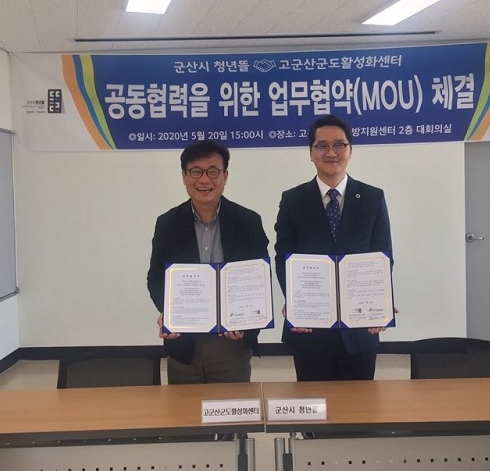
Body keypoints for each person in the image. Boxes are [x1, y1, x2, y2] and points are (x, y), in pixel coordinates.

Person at [274, 115, 394, 381]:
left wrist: (382, 302)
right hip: (309, 327)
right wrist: (294, 301)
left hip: (360, 329)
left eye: (339, 145)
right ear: (311, 153)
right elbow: (283, 257)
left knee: (360, 404)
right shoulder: (293, 200)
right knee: (313, 402)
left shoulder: (373, 198)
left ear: (350, 150)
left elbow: (383, 257)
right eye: (322, 146)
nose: (331, 153)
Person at [147, 140, 269, 384]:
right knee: (184, 408)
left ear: (225, 176)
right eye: (195, 172)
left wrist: (246, 322)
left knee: (233, 408)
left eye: (213, 171)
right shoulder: (167, 223)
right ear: (184, 176)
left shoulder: (248, 222)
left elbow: (259, 281)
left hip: (231, 345)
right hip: (184, 345)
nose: (204, 180)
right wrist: (169, 313)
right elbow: (156, 278)